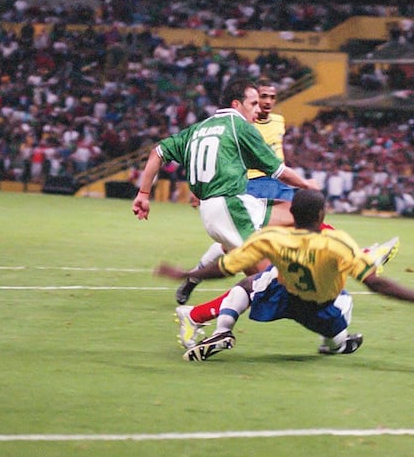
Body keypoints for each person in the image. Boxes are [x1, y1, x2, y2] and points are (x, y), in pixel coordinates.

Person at [155, 189, 414, 361]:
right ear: (322, 215)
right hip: (319, 309)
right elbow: (378, 284)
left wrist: (185, 273)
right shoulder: (337, 242)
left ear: (291, 215)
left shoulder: (273, 238)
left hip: (282, 297)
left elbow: (224, 266)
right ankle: (335, 344)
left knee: (250, 283)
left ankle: (223, 328)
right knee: (343, 312)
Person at [132, 78, 319, 301]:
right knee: (268, 282)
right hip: (230, 207)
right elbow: (278, 171)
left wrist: (143, 194)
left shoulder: (197, 129)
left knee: (298, 212)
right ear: (236, 104)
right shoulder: (240, 126)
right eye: (253, 104)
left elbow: (157, 153)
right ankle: (198, 313)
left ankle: (333, 254)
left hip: (228, 205)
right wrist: (306, 184)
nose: (258, 109)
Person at [245, 78, 295, 202]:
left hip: (279, 180)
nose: (268, 101)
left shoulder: (279, 120)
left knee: (293, 211)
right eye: (264, 96)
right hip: (254, 181)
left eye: (272, 97)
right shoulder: (245, 124)